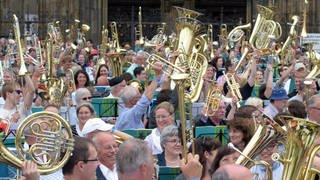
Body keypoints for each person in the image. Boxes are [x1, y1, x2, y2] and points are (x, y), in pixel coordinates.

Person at [115, 62, 163, 130]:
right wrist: (157, 76)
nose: (140, 97)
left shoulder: (125, 112)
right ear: (131, 100)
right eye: (138, 96)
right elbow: (145, 100)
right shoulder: (130, 114)